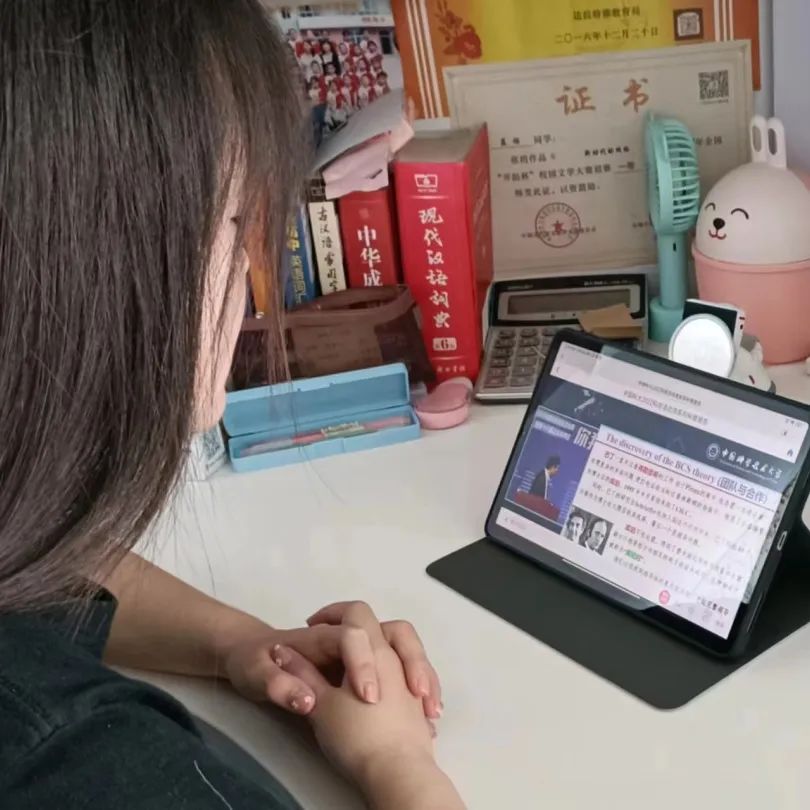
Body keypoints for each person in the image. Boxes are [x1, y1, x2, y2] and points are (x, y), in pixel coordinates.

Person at [0, 3, 465, 810]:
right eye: (236, 221)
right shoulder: (88, 768)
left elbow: (38, 563)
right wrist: (399, 763)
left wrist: (239, 643)